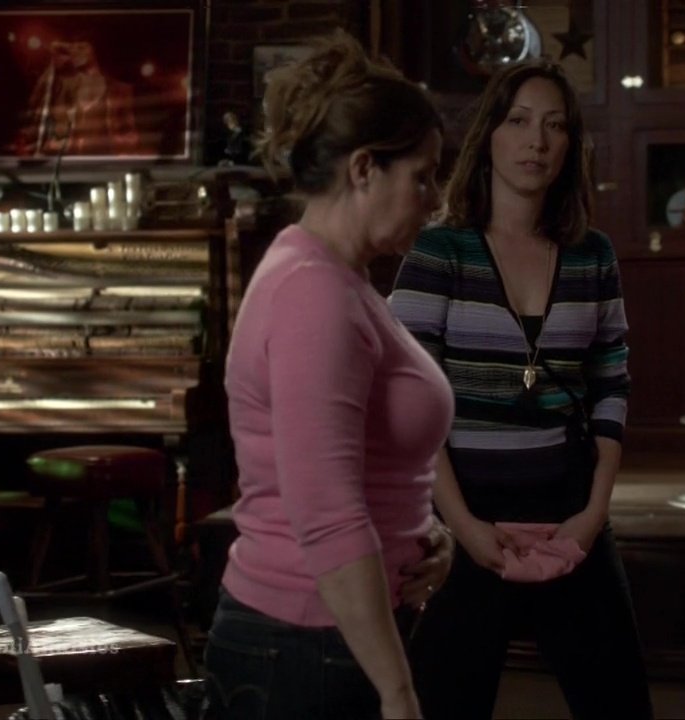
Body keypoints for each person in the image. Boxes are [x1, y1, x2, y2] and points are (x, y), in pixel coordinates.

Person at [388, 58, 654, 719]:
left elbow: (611, 384)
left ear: (570, 146)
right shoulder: (440, 251)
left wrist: (593, 514)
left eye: (555, 126)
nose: (537, 141)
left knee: (619, 705)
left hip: (570, 508)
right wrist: (462, 526)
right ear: (489, 136)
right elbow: (408, 403)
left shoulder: (592, 254)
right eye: (519, 121)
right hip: (463, 513)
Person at [205, 30, 453, 720]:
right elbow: (326, 512)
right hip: (304, 643)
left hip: (334, 635)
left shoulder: (339, 280)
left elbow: (370, 468)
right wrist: (398, 692)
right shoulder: (312, 293)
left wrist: (427, 537)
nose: (434, 200)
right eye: (423, 176)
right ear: (365, 168)